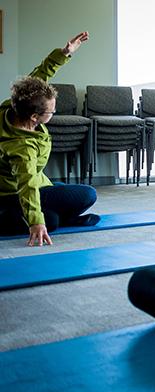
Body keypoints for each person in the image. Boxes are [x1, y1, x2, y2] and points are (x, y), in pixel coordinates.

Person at [0, 32, 99, 246]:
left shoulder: (14, 106)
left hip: (13, 188)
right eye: (51, 112)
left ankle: (38, 218)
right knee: (87, 194)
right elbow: (27, 184)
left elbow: (38, 78)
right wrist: (36, 222)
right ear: (35, 117)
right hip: (14, 192)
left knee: (58, 197)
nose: (53, 113)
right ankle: (22, 217)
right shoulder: (21, 146)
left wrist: (64, 53)